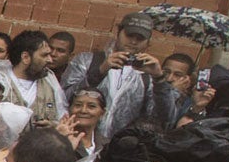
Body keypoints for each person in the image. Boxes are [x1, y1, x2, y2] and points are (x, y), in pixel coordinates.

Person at [66, 11, 182, 147]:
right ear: (118, 32)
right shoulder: (87, 61)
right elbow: (65, 99)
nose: (133, 41)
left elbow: (166, 120)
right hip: (77, 143)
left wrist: (159, 79)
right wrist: (100, 71)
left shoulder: (148, 75)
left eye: (140, 38)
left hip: (121, 149)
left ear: (148, 42)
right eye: (129, 35)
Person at [0, 28, 66, 126]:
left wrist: (53, 126)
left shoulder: (50, 81)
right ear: (25, 57)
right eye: (44, 55)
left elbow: (63, 118)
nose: (50, 60)